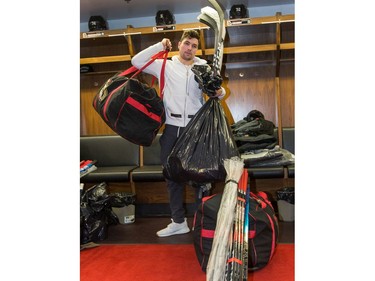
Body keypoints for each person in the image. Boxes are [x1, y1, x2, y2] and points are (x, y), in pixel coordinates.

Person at [131, 29, 226, 237]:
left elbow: (219, 93)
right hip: (172, 128)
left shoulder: (203, 66)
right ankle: (178, 221)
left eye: (193, 46)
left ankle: (203, 221)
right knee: (171, 176)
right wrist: (159, 46)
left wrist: (219, 92)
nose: (189, 49)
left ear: (196, 49)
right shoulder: (165, 65)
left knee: (201, 177)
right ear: (180, 44)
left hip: (196, 128)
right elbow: (136, 61)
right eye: (186, 44)